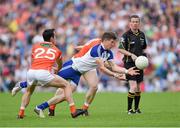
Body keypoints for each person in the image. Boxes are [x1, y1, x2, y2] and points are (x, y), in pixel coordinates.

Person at [35, 31, 140, 117]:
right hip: (72, 66)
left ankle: (82, 109)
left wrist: (127, 71)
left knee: (72, 92)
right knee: (46, 81)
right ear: (106, 40)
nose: (114, 45)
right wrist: (115, 75)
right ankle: (30, 90)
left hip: (80, 71)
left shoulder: (108, 52)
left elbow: (113, 66)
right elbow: (102, 68)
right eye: (112, 42)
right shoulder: (97, 48)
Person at [12, 29, 84, 119]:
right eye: (55, 36)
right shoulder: (56, 50)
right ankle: (73, 111)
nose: (56, 38)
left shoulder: (36, 46)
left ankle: (21, 113)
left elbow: (33, 60)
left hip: (31, 71)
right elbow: (60, 64)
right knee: (66, 85)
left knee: (29, 91)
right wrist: (57, 69)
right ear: (51, 38)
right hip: (43, 72)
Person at [118, 15, 147, 114]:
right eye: (133, 22)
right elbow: (120, 49)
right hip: (129, 64)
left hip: (140, 64)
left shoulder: (142, 35)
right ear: (130, 23)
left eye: (136, 22)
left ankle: (137, 108)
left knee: (138, 88)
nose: (135, 23)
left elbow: (143, 48)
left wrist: (144, 60)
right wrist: (131, 55)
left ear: (139, 23)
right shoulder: (125, 35)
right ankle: (129, 109)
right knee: (133, 86)